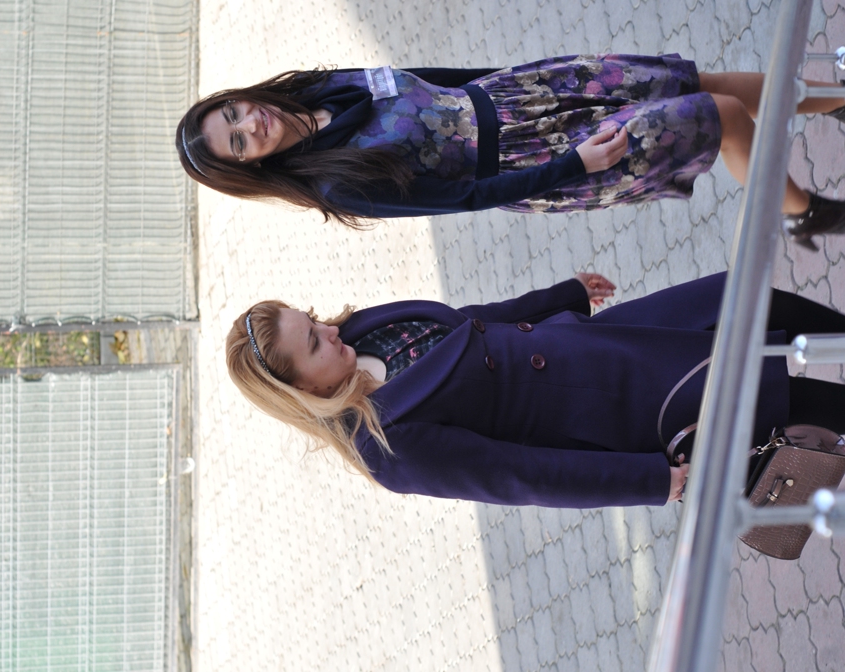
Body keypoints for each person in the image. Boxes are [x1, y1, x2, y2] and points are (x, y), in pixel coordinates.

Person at [226, 273, 845, 508]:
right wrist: (649, 481)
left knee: (751, 299)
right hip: (615, 408)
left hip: (604, 343)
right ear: (301, 391)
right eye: (314, 344)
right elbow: (518, 475)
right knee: (787, 401)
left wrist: (561, 295)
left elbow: (472, 322)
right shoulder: (385, 446)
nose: (331, 331)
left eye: (313, 320)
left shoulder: (364, 333)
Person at [177, 55, 845, 248]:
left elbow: (429, 80)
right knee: (718, 116)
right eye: (237, 141)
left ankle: (837, 99)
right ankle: (802, 212)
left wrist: (522, 77)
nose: (250, 124)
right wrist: (573, 166)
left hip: (530, 92)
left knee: (700, 82)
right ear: (249, 167)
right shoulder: (338, 184)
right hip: (549, 159)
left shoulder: (314, 88)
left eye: (233, 112)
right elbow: (464, 198)